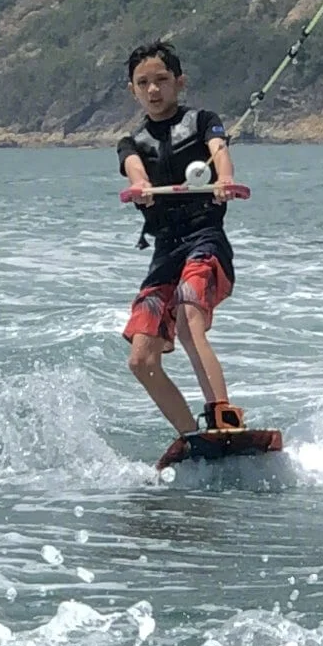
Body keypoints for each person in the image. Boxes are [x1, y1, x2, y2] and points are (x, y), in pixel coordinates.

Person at [117, 39, 246, 440]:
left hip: (205, 240)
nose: (153, 89)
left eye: (161, 80)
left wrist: (225, 179)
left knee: (190, 315)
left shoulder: (204, 121)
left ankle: (223, 417)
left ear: (179, 82)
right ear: (133, 90)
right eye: (143, 83)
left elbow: (219, 150)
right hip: (166, 252)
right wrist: (141, 187)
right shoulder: (132, 143)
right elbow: (134, 169)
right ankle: (192, 437)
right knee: (141, 359)